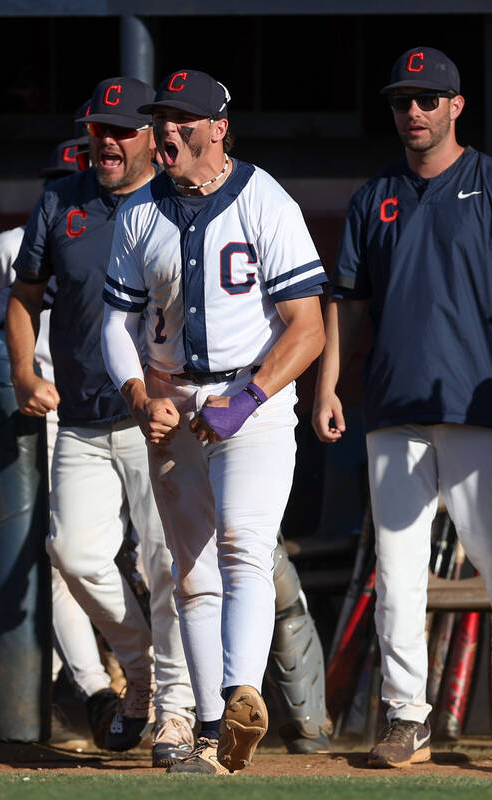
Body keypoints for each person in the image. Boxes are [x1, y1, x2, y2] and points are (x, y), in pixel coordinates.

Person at [312, 46, 492, 769]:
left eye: (427, 99)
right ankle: (406, 714)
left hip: (479, 400)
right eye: (402, 100)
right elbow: (349, 303)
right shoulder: (374, 195)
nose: (413, 111)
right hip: (392, 403)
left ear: (456, 105)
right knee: (396, 562)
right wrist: (329, 384)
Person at [100, 68, 328, 775]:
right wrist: (138, 395)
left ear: (219, 127)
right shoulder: (140, 211)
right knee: (189, 571)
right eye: (164, 119)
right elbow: (115, 322)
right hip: (173, 403)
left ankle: (239, 697)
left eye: (185, 120)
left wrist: (249, 397)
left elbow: (308, 327)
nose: (170, 131)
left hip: (251, 402)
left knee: (242, 544)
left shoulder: (265, 199)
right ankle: (209, 728)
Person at [6, 77, 197, 767]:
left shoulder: (178, 200)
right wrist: (26, 374)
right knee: (74, 551)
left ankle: (174, 713)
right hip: (84, 414)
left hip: (161, 417)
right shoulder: (61, 199)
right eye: (98, 129)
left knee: (168, 565)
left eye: (121, 130)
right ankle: (140, 674)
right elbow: (25, 299)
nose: (107, 141)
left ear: (152, 136)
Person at [0, 137, 122, 745]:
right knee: (58, 558)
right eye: (55, 177)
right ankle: (95, 692)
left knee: (145, 561)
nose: (62, 187)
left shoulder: (138, 228)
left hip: (124, 413)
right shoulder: (15, 248)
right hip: (45, 417)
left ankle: (145, 687)